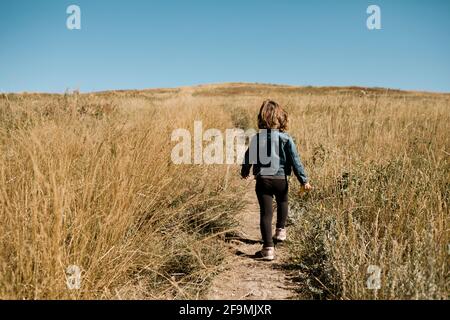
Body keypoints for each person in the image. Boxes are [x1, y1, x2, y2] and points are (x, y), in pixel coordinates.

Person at [241, 100, 312, 260]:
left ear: (261, 118)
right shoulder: (286, 139)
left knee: (265, 214)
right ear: (281, 118)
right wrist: (304, 180)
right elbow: (295, 160)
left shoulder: (257, 138)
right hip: (281, 179)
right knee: (283, 202)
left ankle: (267, 249)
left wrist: (245, 171)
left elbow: (248, 157)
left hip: (263, 180)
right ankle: (280, 230)